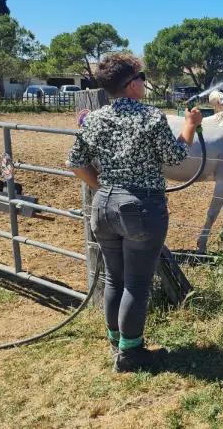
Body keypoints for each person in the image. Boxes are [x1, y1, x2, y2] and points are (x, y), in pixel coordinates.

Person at [67, 52, 203, 373]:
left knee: (114, 278)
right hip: (141, 209)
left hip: (104, 207)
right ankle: (130, 354)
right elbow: (176, 157)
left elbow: (75, 163)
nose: (144, 83)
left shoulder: (95, 119)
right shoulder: (150, 116)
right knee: (137, 284)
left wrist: (103, 188)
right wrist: (190, 125)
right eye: (142, 78)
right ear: (131, 84)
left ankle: (117, 343)